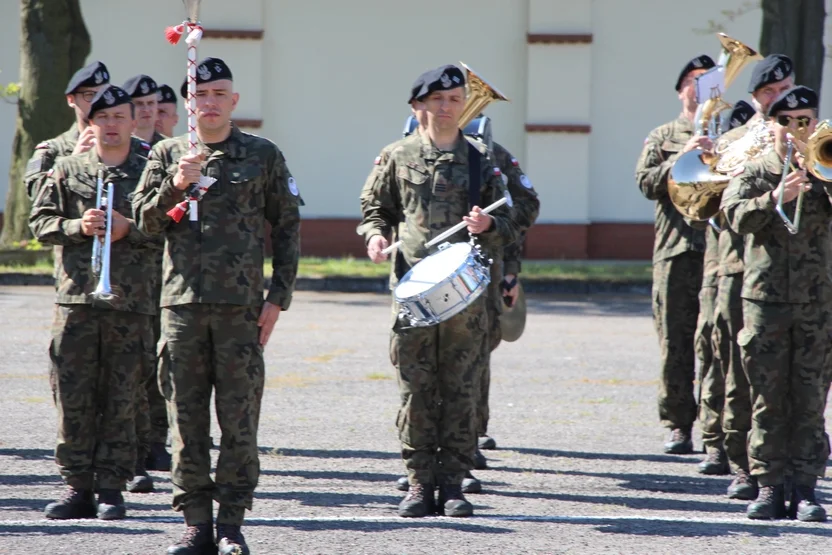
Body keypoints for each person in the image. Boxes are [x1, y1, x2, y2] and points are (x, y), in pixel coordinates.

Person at [132, 57, 301, 555]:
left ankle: (231, 523)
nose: (209, 103)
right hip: (182, 308)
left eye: (219, 94)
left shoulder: (262, 155)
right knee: (186, 420)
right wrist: (176, 184)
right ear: (189, 103)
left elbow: (288, 226)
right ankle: (196, 524)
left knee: (239, 418)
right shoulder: (167, 155)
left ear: (234, 101)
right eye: (200, 95)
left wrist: (278, 298)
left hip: (240, 311)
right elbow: (144, 223)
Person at [359, 64, 519, 518]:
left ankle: (452, 483)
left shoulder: (482, 159)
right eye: (438, 100)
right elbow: (375, 207)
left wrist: (489, 225)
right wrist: (374, 235)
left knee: (462, 388)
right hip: (413, 292)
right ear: (419, 106)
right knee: (415, 387)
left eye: (454, 100)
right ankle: (417, 481)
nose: (447, 108)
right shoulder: (397, 155)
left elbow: (513, 219)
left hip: (467, 298)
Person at [29, 85, 157, 521]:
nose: (112, 124)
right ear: (91, 122)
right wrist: (76, 226)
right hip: (77, 301)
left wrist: (131, 228)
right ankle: (76, 486)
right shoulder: (67, 168)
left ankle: (111, 487)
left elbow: (169, 228)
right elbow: (40, 223)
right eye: (103, 118)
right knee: (73, 394)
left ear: (133, 120)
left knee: (122, 396)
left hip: (131, 302)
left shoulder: (150, 170)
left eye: (120, 117)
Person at [721, 85, 830, 522]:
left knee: (809, 397)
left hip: (815, 302)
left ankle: (805, 489)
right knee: (766, 397)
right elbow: (735, 216)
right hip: (764, 301)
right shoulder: (755, 170)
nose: (795, 129)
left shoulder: (825, 167)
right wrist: (776, 196)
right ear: (773, 125)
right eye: (786, 121)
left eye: (804, 120)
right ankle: (767, 485)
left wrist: (821, 174)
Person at [708, 54, 795, 500]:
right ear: (756, 98)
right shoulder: (733, 142)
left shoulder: (809, 137)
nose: (779, 99)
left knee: (791, 375)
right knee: (738, 373)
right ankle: (742, 466)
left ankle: (789, 465)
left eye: (785, 90)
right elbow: (712, 207)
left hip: (796, 276)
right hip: (740, 268)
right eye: (770, 93)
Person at [635, 54, 714, 454]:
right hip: (676, 250)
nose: (700, 88)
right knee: (675, 343)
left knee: (722, 344)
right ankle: (679, 424)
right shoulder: (663, 134)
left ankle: (721, 431)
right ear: (681, 89)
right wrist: (682, 155)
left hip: (721, 252)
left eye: (709, 81)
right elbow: (645, 182)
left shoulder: (732, 132)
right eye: (694, 81)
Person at [24, 61, 110, 203]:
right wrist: (71, 162)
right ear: (71, 100)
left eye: (103, 94)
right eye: (90, 95)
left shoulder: (127, 145)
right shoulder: (50, 151)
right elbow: (38, 197)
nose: (98, 101)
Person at [122, 74, 166, 147]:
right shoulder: (118, 146)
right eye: (139, 104)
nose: (146, 109)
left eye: (150, 103)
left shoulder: (168, 147)